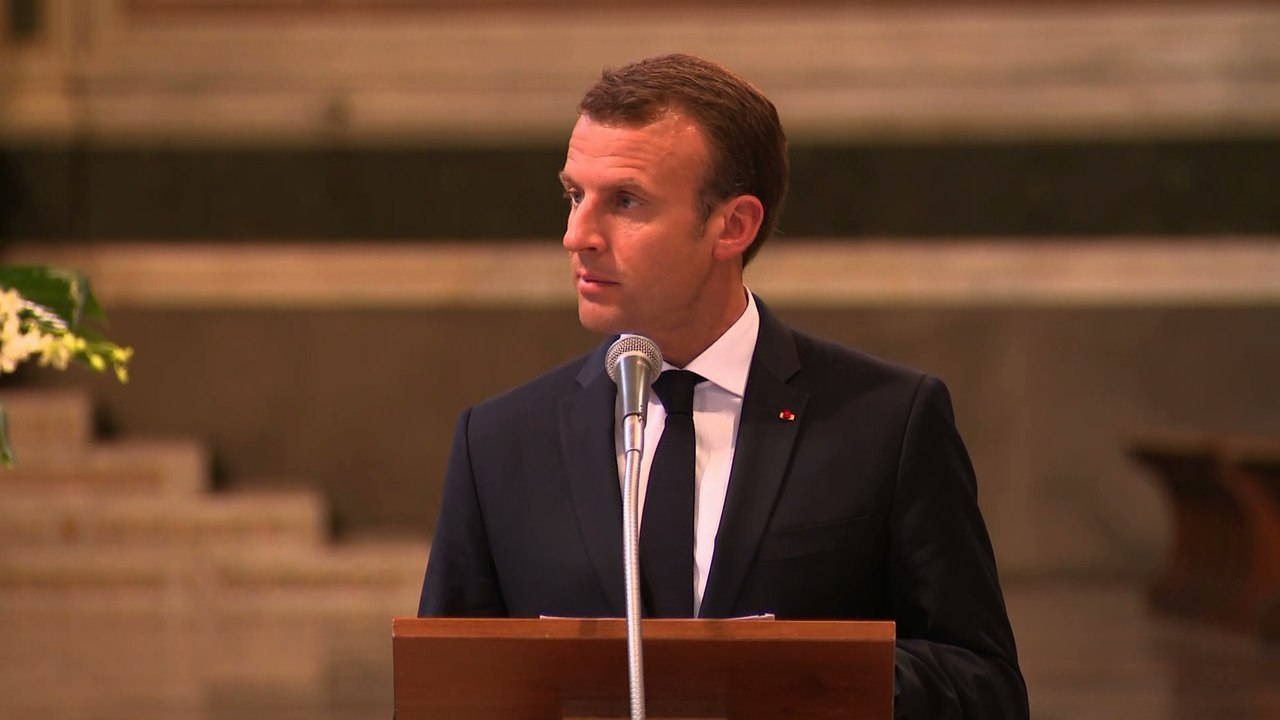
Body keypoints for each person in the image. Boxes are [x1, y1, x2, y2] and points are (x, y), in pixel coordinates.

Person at [420, 53, 1029, 719]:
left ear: (732, 226)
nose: (577, 235)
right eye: (574, 195)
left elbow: (985, 686)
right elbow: (443, 689)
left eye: (625, 202)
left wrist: (803, 680)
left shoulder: (889, 422)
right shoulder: (500, 441)